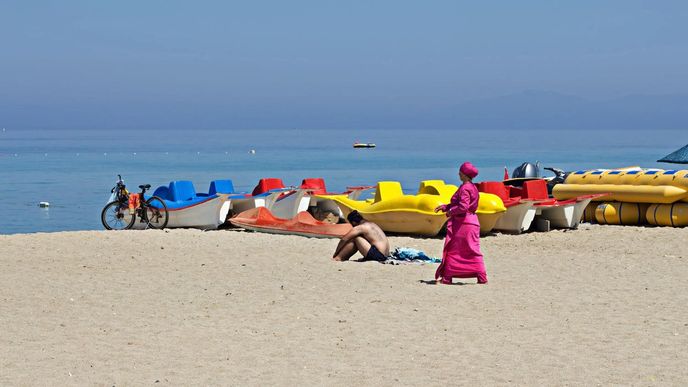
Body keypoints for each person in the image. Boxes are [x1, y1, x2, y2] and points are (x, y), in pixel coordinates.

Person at [434, 162, 488, 284]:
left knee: (453, 249)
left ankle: (447, 277)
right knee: (472, 249)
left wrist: (450, 212)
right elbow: (462, 204)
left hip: (463, 224)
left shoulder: (465, 188)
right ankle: (482, 277)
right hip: (473, 221)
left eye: (460, 172)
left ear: (464, 174)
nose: (458, 173)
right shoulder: (473, 187)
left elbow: (463, 207)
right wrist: (446, 207)